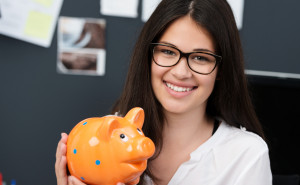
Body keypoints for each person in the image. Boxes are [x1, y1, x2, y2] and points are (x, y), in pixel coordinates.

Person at [55, 0, 273, 184]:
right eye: (168, 51)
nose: (180, 72)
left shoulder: (246, 155)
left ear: (221, 70)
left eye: (200, 57)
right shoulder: (109, 136)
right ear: (148, 56)